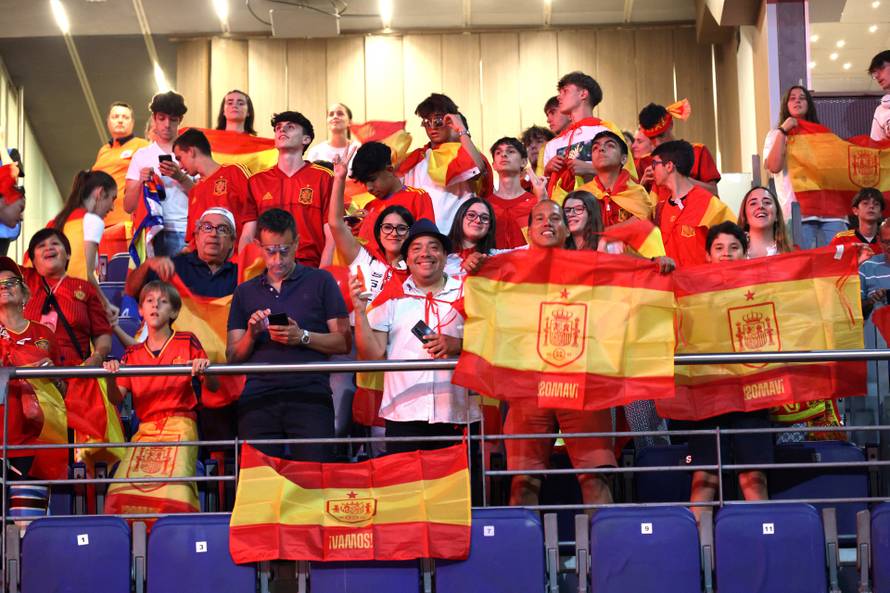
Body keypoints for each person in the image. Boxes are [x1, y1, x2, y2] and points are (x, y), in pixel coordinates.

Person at [504, 199, 616, 507]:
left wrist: (657, 265)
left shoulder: (591, 267)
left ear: (567, 229)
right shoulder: (509, 270)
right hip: (528, 388)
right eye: (539, 218)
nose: (547, 223)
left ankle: (608, 555)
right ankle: (523, 555)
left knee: (594, 477)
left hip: (580, 383)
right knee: (523, 481)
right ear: (529, 230)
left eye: (555, 217)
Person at [226, 208, 350, 461]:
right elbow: (232, 356)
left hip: (310, 395)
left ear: (297, 243)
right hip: (259, 397)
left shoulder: (321, 281)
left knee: (314, 478)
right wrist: (252, 334)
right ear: (259, 246)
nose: (277, 260)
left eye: (285, 250)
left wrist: (302, 336)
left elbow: (343, 342)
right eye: (270, 251)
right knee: (257, 478)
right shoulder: (245, 291)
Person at [351, 218, 480, 453]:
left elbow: (491, 341)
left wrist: (459, 345)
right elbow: (372, 354)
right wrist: (360, 312)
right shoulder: (390, 298)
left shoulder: (469, 291)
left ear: (444, 255)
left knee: (458, 489)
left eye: (433, 247)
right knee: (407, 488)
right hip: (403, 414)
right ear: (407, 259)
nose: (425, 254)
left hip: (458, 414)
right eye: (417, 248)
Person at [677, 221, 773, 520]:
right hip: (709, 394)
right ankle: (699, 560)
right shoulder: (689, 290)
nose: (726, 254)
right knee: (704, 480)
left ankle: (763, 550)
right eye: (719, 248)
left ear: (745, 253)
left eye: (734, 248)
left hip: (752, 394)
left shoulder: (761, 287)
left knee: (753, 479)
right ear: (707, 255)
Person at [103, 280, 218, 516]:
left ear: (174, 311)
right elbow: (116, 399)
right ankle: (138, 550)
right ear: (141, 310)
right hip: (145, 431)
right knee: (118, 493)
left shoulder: (187, 340)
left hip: (182, 425)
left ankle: (176, 544)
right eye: (149, 301)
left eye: (163, 302)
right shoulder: (132, 353)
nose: (156, 305)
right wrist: (111, 376)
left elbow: (214, 387)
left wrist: (204, 367)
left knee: (175, 493)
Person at [0, 256, 65, 483]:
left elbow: (64, 393)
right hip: (1, 439)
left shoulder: (44, 334)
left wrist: (54, 376)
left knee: (26, 518)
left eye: (10, 282)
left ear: (24, 293)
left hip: (36, 444)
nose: (4, 287)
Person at [243, 111, 335, 268]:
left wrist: (322, 276)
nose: (282, 130)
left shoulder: (324, 178)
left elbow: (332, 235)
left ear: (306, 139)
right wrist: (246, 276)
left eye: (290, 127)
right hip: (267, 269)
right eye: (278, 128)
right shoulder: (256, 181)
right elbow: (247, 236)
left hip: (309, 268)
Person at [398, 93, 491, 234]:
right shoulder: (415, 158)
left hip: (457, 238)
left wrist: (461, 129)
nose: (432, 127)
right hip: (418, 238)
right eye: (427, 122)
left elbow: (478, 168)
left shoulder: (465, 154)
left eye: (438, 121)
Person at [21, 228, 112, 367]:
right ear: (33, 259)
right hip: (28, 374)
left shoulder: (85, 288)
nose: (49, 247)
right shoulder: (23, 281)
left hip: (73, 374)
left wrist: (97, 357)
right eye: (41, 246)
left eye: (55, 243)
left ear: (68, 254)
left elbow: (102, 334)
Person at [541, 71, 632, 199]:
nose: (559, 97)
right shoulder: (552, 144)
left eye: (565, 91)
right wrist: (548, 171)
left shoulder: (606, 131)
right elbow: (543, 193)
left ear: (583, 94)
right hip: (562, 214)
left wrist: (589, 169)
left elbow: (627, 177)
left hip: (599, 209)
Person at [124, 91, 193, 257]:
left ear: (180, 120)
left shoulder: (192, 152)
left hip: (187, 230)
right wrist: (141, 180)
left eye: (173, 119)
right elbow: (128, 206)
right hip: (153, 231)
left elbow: (205, 197)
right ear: (154, 118)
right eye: (162, 118)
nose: (167, 124)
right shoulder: (141, 155)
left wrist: (181, 178)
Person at [763, 86, 834, 246]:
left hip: (828, 211)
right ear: (785, 105)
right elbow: (774, 167)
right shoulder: (775, 134)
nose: (797, 100)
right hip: (795, 211)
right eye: (792, 98)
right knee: (801, 264)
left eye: (802, 98)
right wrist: (783, 131)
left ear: (808, 104)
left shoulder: (823, 134)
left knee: (832, 267)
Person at [48, 170, 119, 319]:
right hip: (68, 307)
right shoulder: (92, 222)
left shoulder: (56, 222)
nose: (112, 207)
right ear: (100, 193)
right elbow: (85, 273)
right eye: (113, 198)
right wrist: (105, 304)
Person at [652, 140, 735, 268]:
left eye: (654, 164)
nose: (652, 171)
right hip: (670, 285)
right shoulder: (660, 209)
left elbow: (736, 243)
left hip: (702, 284)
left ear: (669, 166)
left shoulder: (709, 203)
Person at [171, 128, 252, 251]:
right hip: (203, 267)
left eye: (179, 158)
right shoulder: (195, 191)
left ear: (191, 151)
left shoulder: (234, 172)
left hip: (234, 263)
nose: (180, 166)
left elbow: (254, 217)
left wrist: (244, 259)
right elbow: (194, 241)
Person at [348, 141, 434, 249]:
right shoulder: (369, 206)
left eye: (372, 180)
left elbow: (428, 238)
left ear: (389, 170)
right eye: (364, 182)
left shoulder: (418, 197)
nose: (369, 188)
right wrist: (351, 229)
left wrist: (374, 220)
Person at [638, 101, 720, 197]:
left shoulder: (698, 152)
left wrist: (682, 179)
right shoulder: (644, 162)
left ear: (671, 124)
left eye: (661, 135)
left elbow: (713, 191)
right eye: (652, 138)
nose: (658, 143)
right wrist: (642, 185)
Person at [577, 130, 656, 226]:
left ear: (624, 159)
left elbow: (644, 227)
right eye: (595, 147)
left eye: (610, 145)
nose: (601, 149)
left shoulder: (637, 193)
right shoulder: (582, 194)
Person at [91, 102, 150, 228]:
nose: (120, 121)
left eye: (125, 117)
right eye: (115, 117)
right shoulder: (103, 150)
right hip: (100, 220)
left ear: (132, 122)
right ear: (108, 121)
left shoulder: (142, 146)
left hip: (126, 220)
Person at [488, 137, 544, 248]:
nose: (504, 155)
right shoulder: (485, 206)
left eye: (511, 151)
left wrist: (543, 197)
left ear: (523, 162)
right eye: (498, 152)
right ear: (494, 164)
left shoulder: (537, 202)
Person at [444, 197, 502, 279]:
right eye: (471, 215)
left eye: (484, 218)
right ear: (460, 217)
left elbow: (524, 252)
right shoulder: (440, 256)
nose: (478, 220)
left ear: (490, 226)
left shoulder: (497, 257)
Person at [736, 186, 793, 258]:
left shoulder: (793, 255)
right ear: (744, 217)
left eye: (767, 202)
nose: (761, 206)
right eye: (753, 203)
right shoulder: (733, 256)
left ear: (777, 215)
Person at [830, 187, 885, 259]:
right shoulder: (841, 239)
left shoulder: (886, 240)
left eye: (876, 204)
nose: (871, 206)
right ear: (855, 210)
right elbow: (832, 266)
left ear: (880, 213)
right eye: (865, 203)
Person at [305, 103, 362, 172]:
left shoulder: (359, 149)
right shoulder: (316, 151)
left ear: (350, 122)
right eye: (331, 114)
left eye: (340, 114)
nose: (335, 117)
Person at [861, 220, 890, 319]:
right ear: (879, 241)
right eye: (887, 242)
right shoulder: (866, 266)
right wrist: (871, 300)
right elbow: (855, 310)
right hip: (879, 331)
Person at [869, 50, 890, 142]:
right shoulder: (881, 111)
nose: (876, 76)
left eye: (880, 68)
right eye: (874, 73)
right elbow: (876, 148)